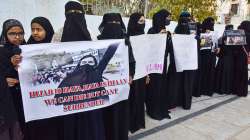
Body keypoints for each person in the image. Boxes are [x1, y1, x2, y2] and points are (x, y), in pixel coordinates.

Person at [55, 1, 106, 140]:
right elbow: (54, 59)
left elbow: (99, 53)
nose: (74, 16)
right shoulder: (58, 35)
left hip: (89, 93)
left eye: (78, 13)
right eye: (71, 13)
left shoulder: (91, 34)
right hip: (70, 92)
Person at [98, 12, 136, 140]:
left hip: (120, 86)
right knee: (105, 113)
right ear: (105, 24)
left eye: (117, 23)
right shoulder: (98, 41)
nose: (114, 25)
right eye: (110, 23)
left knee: (120, 112)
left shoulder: (125, 41)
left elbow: (131, 60)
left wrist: (131, 75)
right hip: (104, 85)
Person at [25, 16, 60, 140]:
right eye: (33, 29)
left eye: (39, 29)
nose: (35, 32)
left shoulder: (56, 48)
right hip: (34, 102)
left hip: (51, 100)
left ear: (47, 30)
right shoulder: (25, 49)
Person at [0, 19, 25, 140]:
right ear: (5, 34)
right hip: (8, 100)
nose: (17, 37)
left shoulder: (27, 49)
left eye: (20, 33)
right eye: (12, 33)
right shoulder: (1, 52)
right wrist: (10, 63)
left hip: (25, 99)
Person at [146, 9, 171, 120]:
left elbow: (168, 49)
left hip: (163, 62)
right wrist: (158, 36)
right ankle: (154, 110)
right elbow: (148, 48)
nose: (169, 19)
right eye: (167, 17)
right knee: (155, 86)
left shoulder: (165, 30)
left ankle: (161, 108)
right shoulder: (152, 31)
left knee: (162, 85)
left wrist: (170, 38)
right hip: (153, 63)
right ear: (161, 18)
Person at [127, 12, 149, 133]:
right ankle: (131, 123)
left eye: (144, 21)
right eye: (140, 21)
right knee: (131, 98)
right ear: (134, 22)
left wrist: (147, 73)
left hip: (142, 73)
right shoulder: (126, 37)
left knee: (140, 98)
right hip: (132, 74)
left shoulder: (144, 37)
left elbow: (146, 56)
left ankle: (139, 122)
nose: (143, 24)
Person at [170, 16, 195, 110]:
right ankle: (173, 102)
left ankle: (183, 102)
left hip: (187, 65)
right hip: (176, 64)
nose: (184, 26)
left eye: (186, 24)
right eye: (182, 24)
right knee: (175, 84)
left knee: (184, 83)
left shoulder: (191, 36)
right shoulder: (174, 34)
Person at [198, 17, 218, 96]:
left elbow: (216, 43)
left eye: (213, 23)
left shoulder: (214, 32)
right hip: (204, 56)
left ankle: (209, 90)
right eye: (210, 23)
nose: (212, 25)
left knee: (211, 72)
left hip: (212, 55)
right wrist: (205, 35)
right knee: (203, 72)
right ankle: (202, 89)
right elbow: (201, 45)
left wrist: (217, 48)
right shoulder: (200, 32)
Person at [214, 25, 234, 95]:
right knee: (227, 74)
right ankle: (227, 89)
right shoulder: (234, 39)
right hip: (229, 60)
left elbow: (218, 52)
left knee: (222, 74)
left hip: (223, 59)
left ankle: (220, 88)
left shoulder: (221, 38)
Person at [233, 21, 250, 97]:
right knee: (244, 73)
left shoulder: (239, 34)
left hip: (238, 55)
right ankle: (243, 91)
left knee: (237, 72)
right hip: (245, 55)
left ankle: (236, 90)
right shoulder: (249, 35)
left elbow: (235, 45)